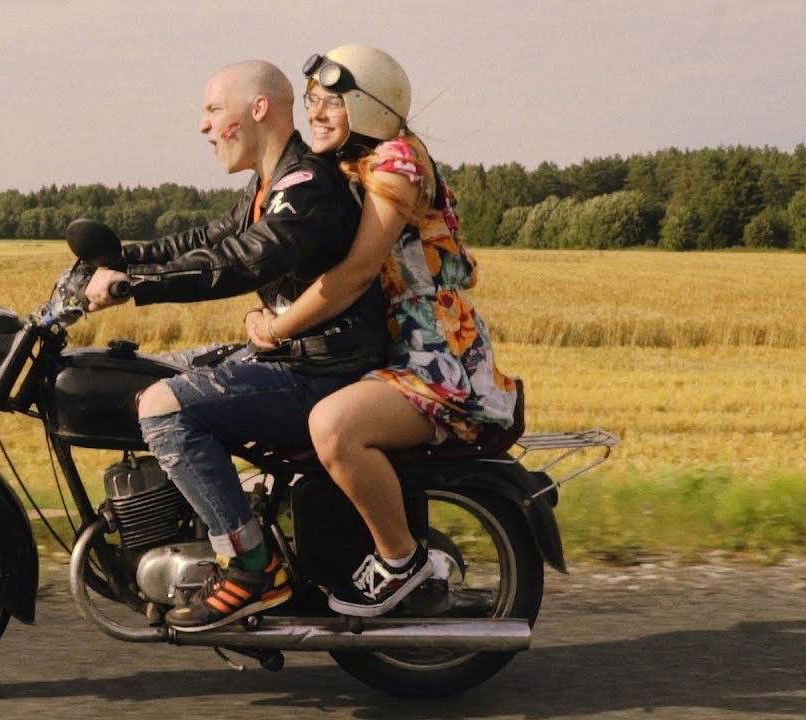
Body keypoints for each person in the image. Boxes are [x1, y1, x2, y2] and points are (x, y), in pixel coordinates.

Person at [85, 59, 386, 631]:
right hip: (297, 357)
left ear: (258, 110)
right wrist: (120, 259)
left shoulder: (307, 185)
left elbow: (247, 259)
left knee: (163, 406)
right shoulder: (271, 182)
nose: (204, 126)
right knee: (149, 372)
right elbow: (208, 239)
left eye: (213, 110)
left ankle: (253, 565)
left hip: (324, 371)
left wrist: (136, 287)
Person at [245, 44, 520, 617]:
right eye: (313, 101)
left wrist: (277, 328)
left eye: (332, 103)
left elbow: (355, 273)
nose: (316, 113)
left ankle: (401, 562)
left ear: (369, 108)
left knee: (334, 426)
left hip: (435, 357)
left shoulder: (397, 161)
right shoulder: (350, 161)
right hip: (384, 347)